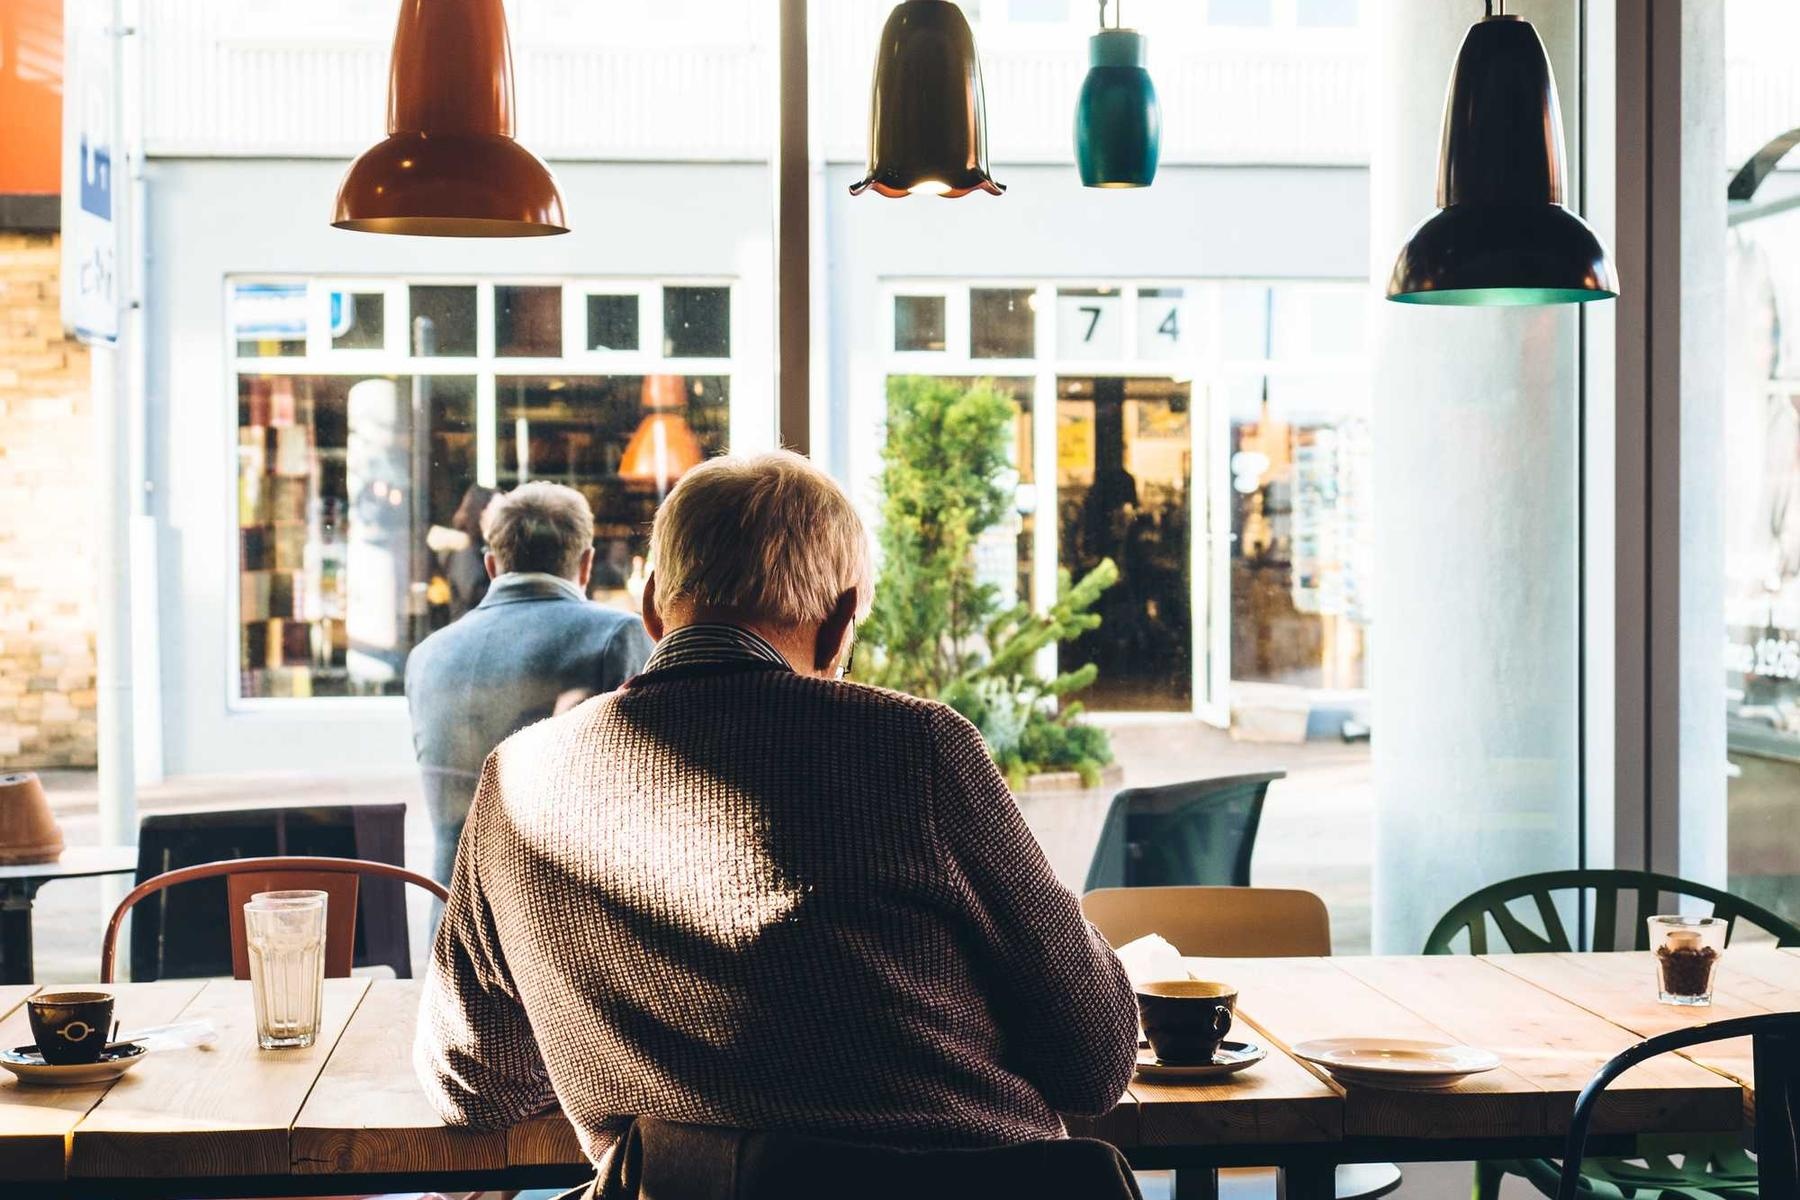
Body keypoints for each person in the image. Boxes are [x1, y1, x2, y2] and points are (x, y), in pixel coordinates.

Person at [414, 450, 1138, 1170]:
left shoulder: (518, 780)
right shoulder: (918, 751)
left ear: (653, 605)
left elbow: (472, 1084)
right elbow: (1095, 1061)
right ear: (839, 623)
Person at [404, 481, 654, 887]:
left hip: (450, 928)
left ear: (491, 566)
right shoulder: (616, 637)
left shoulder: (427, 656)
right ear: (587, 564)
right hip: (557, 929)